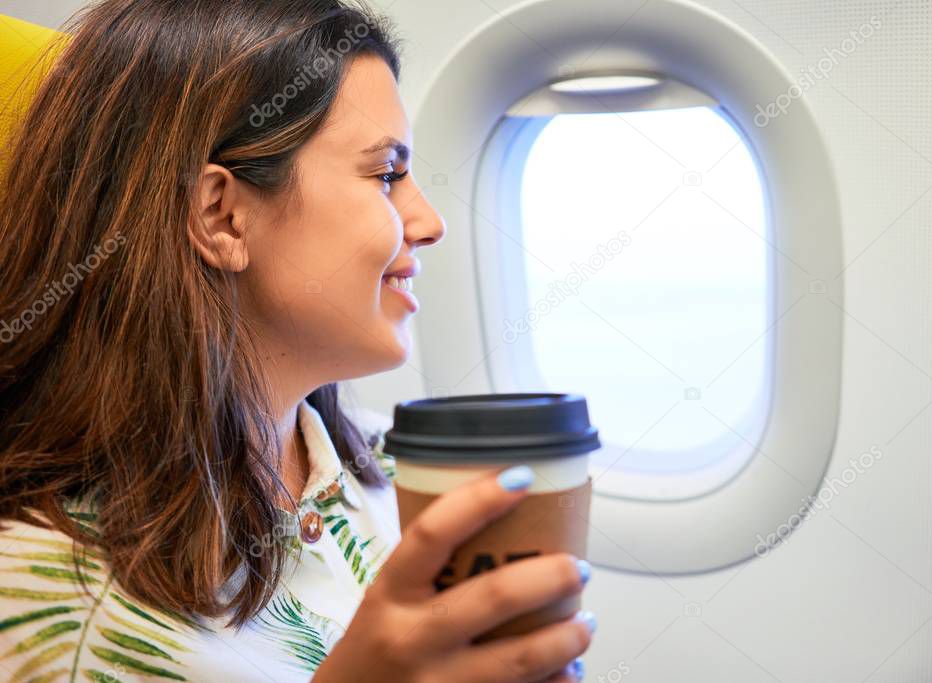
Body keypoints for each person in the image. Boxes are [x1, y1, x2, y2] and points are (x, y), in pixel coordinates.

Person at [0, 1, 595, 680]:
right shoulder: (60, 611)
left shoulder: (391, 472)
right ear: (222, 216)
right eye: (385, 175)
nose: (428, 223)